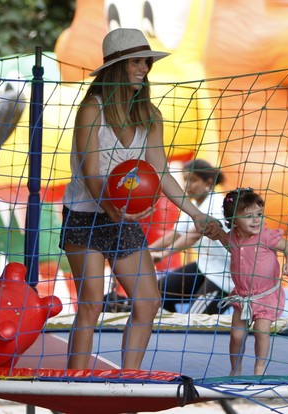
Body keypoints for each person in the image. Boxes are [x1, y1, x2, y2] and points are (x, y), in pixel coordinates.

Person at [59, 28, 221, 371]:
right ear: (116, 67)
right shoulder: (93, 108)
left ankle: (127, 380)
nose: (143, 68)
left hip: (122, 218)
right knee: (90, 303)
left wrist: (195, 214)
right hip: (86, 215)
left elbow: (160, 173)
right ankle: (73, 384)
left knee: (147, 302)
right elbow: (90, 173)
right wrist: (112, 210)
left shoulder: (151, 116)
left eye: (146, 61)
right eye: (135, 61)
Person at [212, 188, 288, 375]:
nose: (256, 220)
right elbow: (220, 236)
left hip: (265, 296)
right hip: (242, 297)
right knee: (236, 335)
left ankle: (259, 368)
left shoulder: (266, 237)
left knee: (261, 331)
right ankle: (236, 369)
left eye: (259, 214)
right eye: (249, 216)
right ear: (233, 221)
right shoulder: (232, 237)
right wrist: (213, 229)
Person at [149, 159, 233, 314]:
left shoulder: (216, 204)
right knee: (157, 293)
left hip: (223, 276)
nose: (187, 185)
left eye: (193, 180)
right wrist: (147, 250)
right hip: (204, 266)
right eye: (185, 180)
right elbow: (174, 235)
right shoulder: (193, 206)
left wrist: (163, 254)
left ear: (208, 182)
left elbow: (193, 235)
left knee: (194, 320)